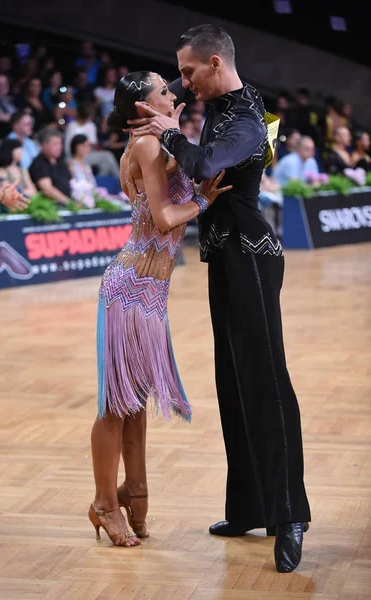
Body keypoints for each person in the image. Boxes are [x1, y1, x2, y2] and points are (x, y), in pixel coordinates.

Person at [128, 24, 311, 573]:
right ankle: (249, 505)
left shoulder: (247, 116)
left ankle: (289, 514)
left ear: (213, 62)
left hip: (253, 257)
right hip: (228, 257)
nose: (182, 83)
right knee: (233, 379)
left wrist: (168, 132)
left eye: (187, 72)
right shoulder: (229, 104)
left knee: (266, 379)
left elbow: (207, 166)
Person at [89, 70, 230, 548]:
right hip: (130, 289)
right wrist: (204, 203)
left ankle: (134, 489)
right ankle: (106, 504)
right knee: (116, 404)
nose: (175, 93)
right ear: (143, 108)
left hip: (149, 293)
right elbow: (166, 217)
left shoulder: (156, 143)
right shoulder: (147, 146)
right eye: (165, 91)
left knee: (136, 403)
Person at [29, 128, 72, 205]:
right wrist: (70, 203)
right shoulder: (39, 163)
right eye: (55, 144)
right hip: (54, 206)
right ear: (45, 145)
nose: (59, 147)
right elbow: (47, 190)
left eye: (60, 143)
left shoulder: (60, 161)